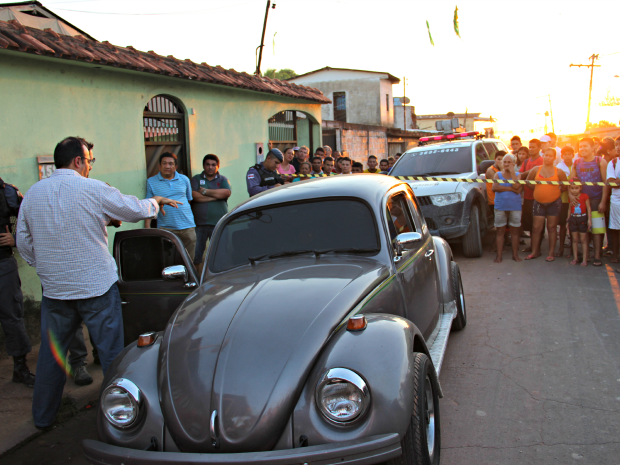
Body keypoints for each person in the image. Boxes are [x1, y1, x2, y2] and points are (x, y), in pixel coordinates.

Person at [16, 137, 179, 429]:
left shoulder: (33, 194)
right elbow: (133, 210)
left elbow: (24, 242)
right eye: (90, 161)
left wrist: (45, 268)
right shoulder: (92, 188)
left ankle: (42, 417)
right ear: (78, 161)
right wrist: (155, 202)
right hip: (97, 290)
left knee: (51, 358)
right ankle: (122, 418)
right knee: (112, 357)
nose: (90, 166)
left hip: (56, 292)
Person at [0, 177, 35, 388]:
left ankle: (20, 369)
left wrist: (15, 237)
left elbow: (30, 221)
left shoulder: (8, 193)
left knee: (12, 316)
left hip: (3, 264)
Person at [146, 153, 196, 260]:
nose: (167, 166)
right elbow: (149, 206)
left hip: (187, 226)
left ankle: (189, 277)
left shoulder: (184, 179)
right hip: (166, 227)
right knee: (167, 260)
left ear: (175, 166)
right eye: (164, 163)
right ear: (159, 166)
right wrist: (147, 227)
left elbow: (189, 200)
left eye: (170, 164)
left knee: (189, 259)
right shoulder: (151, 182)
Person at [569, 137, 608, 266]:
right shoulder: (577, 162)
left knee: (597, 229)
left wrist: (603, 201)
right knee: (584, 228)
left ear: (593, 148)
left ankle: (597, 255)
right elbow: (570, 182)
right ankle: (585, 255)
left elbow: (605, 183)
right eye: (580, 147)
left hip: (596, 200)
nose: (582, 149)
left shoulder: (600, 162)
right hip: (581, 202)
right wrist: (572, 196)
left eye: (585, 146)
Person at [525, 148, 568, 261]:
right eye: (546, 155)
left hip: (554, 203)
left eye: (550, 156)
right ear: (543, 156)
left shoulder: (559, 172)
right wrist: (538, 189)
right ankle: (535, 252)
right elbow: (528, 182)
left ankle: (551, 253)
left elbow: (564, 187)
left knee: (552, 228)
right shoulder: (535, 170)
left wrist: (554, 191)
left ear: (554, 158)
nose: (548, 157)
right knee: (536, 228)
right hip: (538, 202)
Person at [191, 154, 231, 268]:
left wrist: (205, 191)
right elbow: (194, 196)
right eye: (207, 164)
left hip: (219, 223)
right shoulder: (196, 179)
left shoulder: (223, 179)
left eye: (213, 165)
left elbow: (226, 193)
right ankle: (197, 280)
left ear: (218, 166)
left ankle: (220, 278)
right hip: (199, 224)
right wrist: (216, 196)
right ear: (203, 165)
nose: (210, 167)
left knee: (221, 253)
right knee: (196, 255)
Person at [492, 154, 523, 263]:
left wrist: (512, 173)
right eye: (505, 162)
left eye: (509, 162)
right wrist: (511, 188)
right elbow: (495, 187)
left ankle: (515, 255)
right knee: (500, 230)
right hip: (500, 206)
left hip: (515, 206)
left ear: (514, 164)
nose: (506, 164)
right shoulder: (498, 174)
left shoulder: (518, 175)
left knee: (515, 231)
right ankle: (499, 256)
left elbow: (517, 186)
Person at [520, 139, 544, 249]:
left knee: (538, 223)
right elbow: (520, 175)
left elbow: (524, 174)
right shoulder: (526, 161)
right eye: (530, 146)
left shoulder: (542, 160)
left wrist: (526, 174)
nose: (531, 149)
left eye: (533, 147)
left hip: (538, 196)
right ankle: (533, 245)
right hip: (527, 196)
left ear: (539, 148)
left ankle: (537, 245)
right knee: (529, 222)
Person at [566, 179, 592, 266]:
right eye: (572, 188)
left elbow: (588, 208)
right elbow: (569, 209)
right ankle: (575, 258)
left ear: (580, 188)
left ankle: (584, 259)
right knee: (575, 240)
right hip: (573, 219)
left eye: (576, 188)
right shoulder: (571, 198)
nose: (574, 190)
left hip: (582, 219)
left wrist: (589, 219)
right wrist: (568, 220)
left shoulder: (585, 196)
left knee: (583, 240)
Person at [556, 146, 575, 258]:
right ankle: (561, 248)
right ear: (562, 156)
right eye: (565, 154)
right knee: (562, 224)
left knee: (574, 224)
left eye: (569, 154)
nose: (567, 156)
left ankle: (573, 249)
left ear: (573, 155)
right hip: (563, 199)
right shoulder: (559, 167)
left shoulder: (576, 165)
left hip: (575, 199)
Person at [486, 151, 506, 226]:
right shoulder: (490, 170)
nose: (500, 162)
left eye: (503, 160)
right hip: (495, 201)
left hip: (505, 200)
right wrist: (502, 169)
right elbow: (500, 183)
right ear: (494, 159)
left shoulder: (506, 170)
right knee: (500, 225)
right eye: (499, 159)